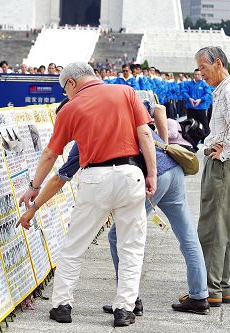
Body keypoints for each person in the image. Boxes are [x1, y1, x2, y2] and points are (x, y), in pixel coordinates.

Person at [18, 98, 209, 316]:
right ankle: (200, 295)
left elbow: (59, 179)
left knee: (119, 237)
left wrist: (33, 208)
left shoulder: (87, 136)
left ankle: (129, 301)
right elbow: (157, 112)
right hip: (172, 168)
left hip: (153, 178)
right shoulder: (117, 112)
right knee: (187, 235)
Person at [18, 62, 157, 327]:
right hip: (130, 173)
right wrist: (151, 173)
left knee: (75, 245)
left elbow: (51, 154)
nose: (65, 96)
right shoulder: (127, 93)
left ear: (70, 82)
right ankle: (124, 309)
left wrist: (34, 188)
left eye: (64, 90)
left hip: (95, 178)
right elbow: (145, 135)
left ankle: (62, 305)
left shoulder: (71, 108)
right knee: (131, 246)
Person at [193, 46, 230, 307]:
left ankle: (207, 289)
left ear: (217, 63)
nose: (200, 73)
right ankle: (221, 286)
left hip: (224, 167)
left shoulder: (229, 90)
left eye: (203, 67)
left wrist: (223, 151)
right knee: (220, 229)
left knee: (211, 229)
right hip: (225, 165)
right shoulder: (225, 90)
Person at [181, 69, 212, 137]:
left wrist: (200, 100)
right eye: (195, 74)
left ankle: (206, 138)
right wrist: (189, 99)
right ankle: (191, 138)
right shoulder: (188, 84)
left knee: (204, 124)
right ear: (193, 75)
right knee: (190, 123)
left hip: (201, 108)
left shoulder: (204, 84)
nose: (197, 76)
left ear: (201, 75)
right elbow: (183, 92)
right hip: (190, 107)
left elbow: (208, 94)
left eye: (198, 74)